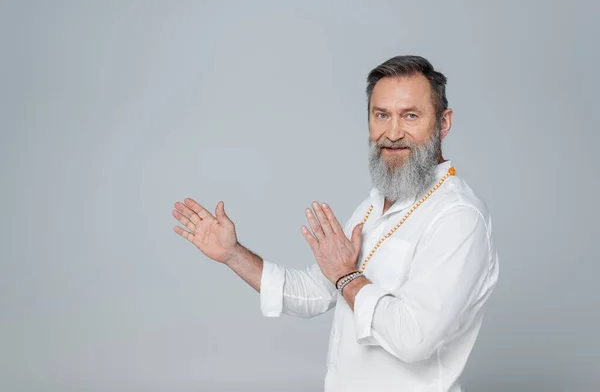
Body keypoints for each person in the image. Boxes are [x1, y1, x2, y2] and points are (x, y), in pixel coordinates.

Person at [172, 55, 499, 392]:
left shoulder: (457, 217)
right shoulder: (375, 205)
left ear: (443, 123)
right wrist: (232, 254)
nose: (393, 132)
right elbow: (316, 292)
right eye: (381, 115)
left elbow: (414, 338)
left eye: (411, 115)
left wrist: (347, 275)